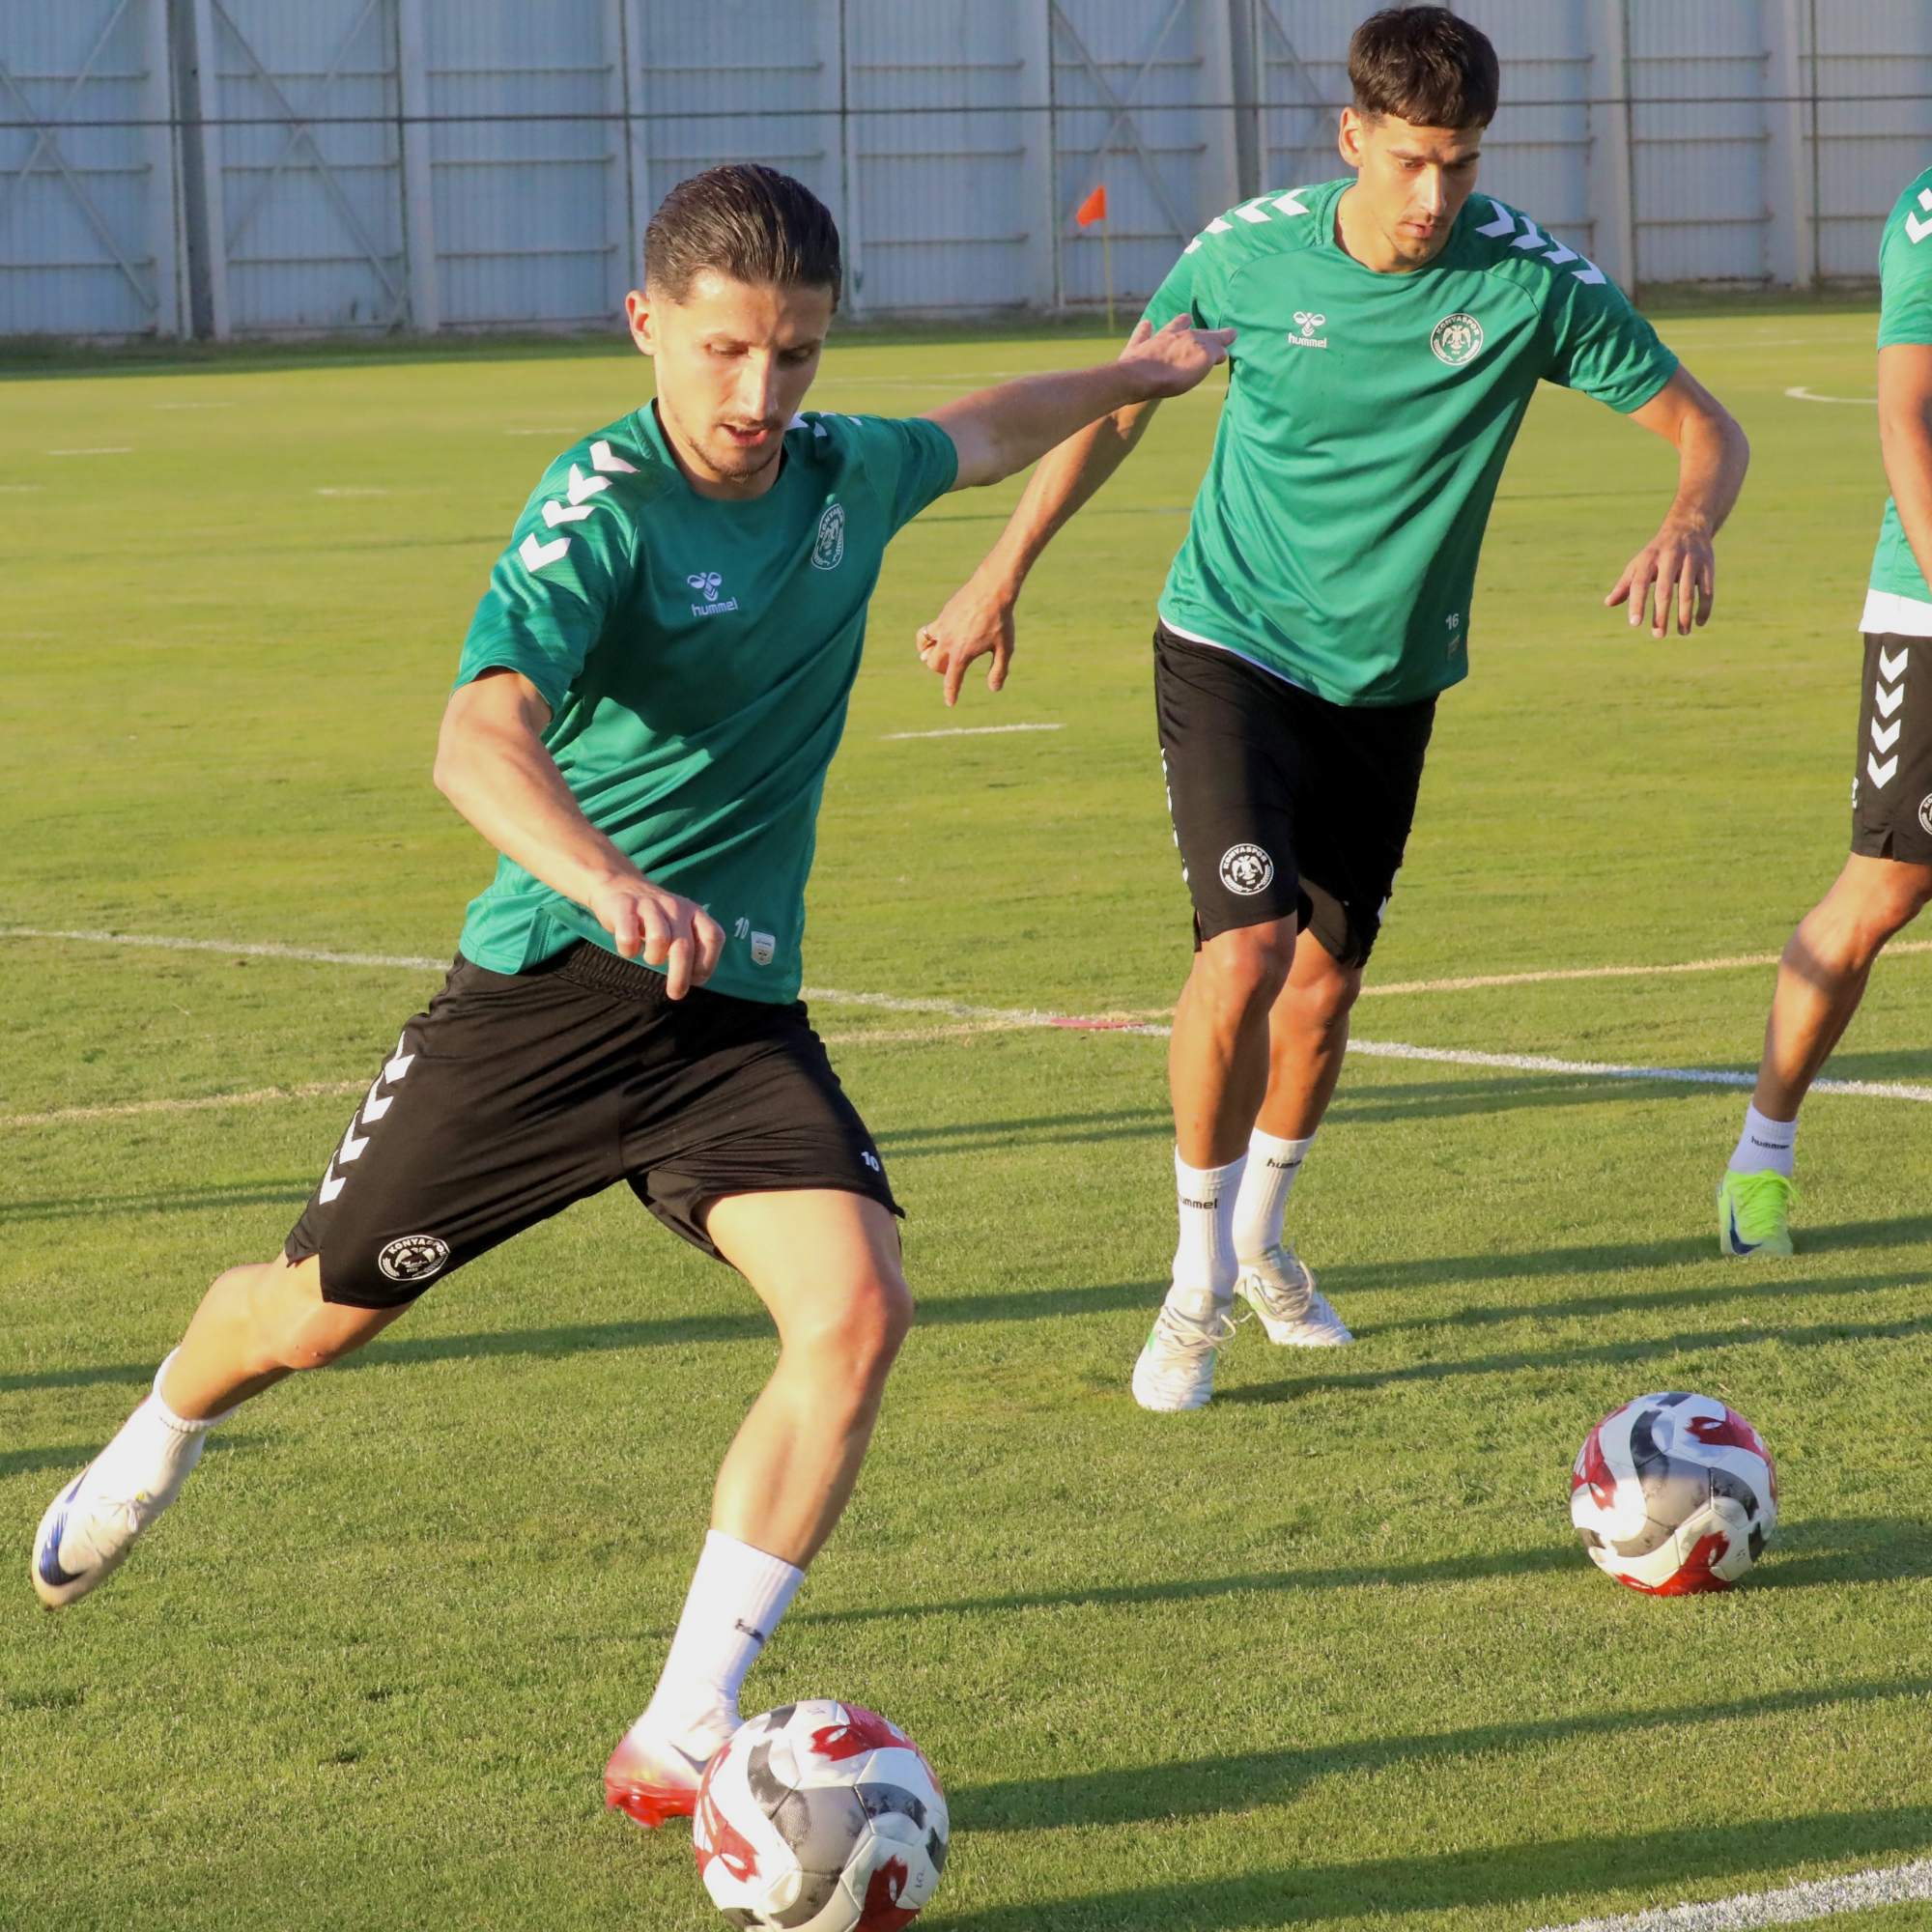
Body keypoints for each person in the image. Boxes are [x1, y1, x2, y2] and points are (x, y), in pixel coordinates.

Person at [29, 165, 1234, 1823]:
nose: (760, 393)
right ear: (645, 323)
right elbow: (477, 737)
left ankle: (682, 1728)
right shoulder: (600, 508)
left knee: (859, 1310)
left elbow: (981, 427)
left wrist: (1131, 373)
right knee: (311, 1320)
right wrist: (606, 880)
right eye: (726, 349)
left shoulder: (843, 470)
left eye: (796, 353)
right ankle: (161, 1427)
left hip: (729, 1016)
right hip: (546, 1000)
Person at [916, 8, 1749, 1410]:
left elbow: (1704, 426)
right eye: (1412, 160)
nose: (1435, 195)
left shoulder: (1531, 281)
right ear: (1352, 136)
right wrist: (1000, 571)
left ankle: (1262, 1243)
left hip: (1391, 681)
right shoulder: (1244, 254)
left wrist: (1687, 521)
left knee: (1324, 985)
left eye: (1461, 164)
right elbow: (1119, 406)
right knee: (1245, 949)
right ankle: (1192, 1286)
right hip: (1229, 643)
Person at [1716, 164, 1932, 1257]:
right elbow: (1906, 414)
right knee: (1883, 889)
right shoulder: (1930, 209)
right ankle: (1761, 1160)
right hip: (1927, 609)